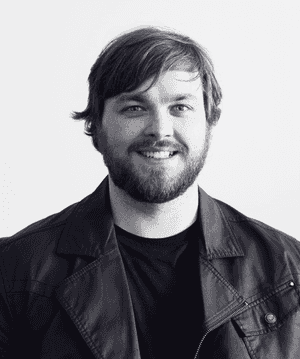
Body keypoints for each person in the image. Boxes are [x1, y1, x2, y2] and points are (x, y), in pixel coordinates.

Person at [0, 26, 299, 359]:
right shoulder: (15, 271)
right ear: (96, 127)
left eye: (180, 107)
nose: (159, 129)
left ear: (209, 122)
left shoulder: (289, 270)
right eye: (134, 108)